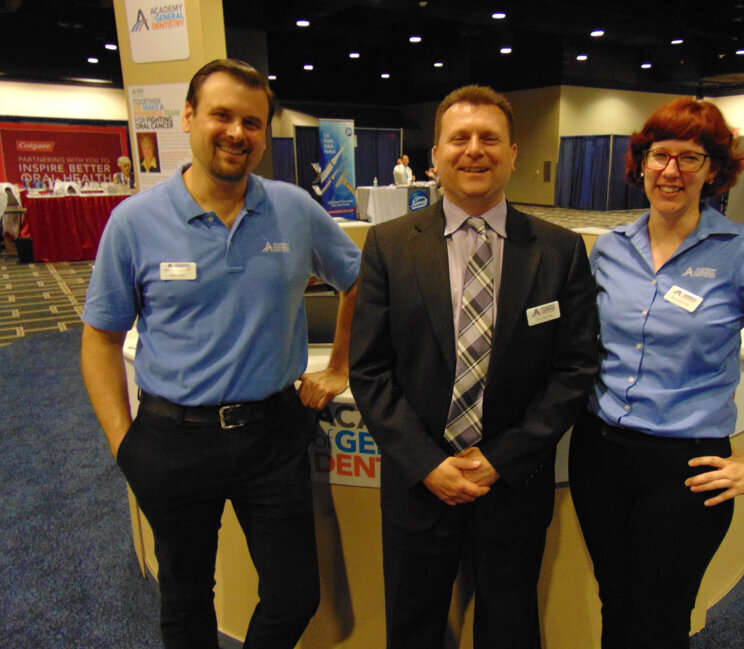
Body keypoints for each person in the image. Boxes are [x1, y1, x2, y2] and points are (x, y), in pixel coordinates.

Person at [80, 59, 361, 649]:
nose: (237, 133)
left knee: (294, 596)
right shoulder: (133, 221)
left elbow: (359, 281)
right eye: (222, 116)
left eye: (252, 122)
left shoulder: (294, 208)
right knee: (185, 600)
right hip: (172, 438)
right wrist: (123, 444)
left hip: (273, 435)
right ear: (189, 116)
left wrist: (340, 366)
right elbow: (102, 338)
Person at [569, 97, 744, 649]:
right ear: (641, 163)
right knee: (616, 601)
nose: (671, 171)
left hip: (684, 469)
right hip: (599, 457)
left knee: (661, 619)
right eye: (660, 156)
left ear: (714, 170)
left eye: (691, 158)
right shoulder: (610, 250)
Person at [349, 85, 599, 649]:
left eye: (490, 138)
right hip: (419, 484)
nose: (474, 150)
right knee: (412, 627)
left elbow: (575, 370)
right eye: (458, 138)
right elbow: (369, 369)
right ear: (434, 157)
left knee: (510, 628)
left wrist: (499, 461)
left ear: (513, 153)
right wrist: (427, 464)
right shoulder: (389, 246)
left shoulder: (559, 251)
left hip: (513, 484)